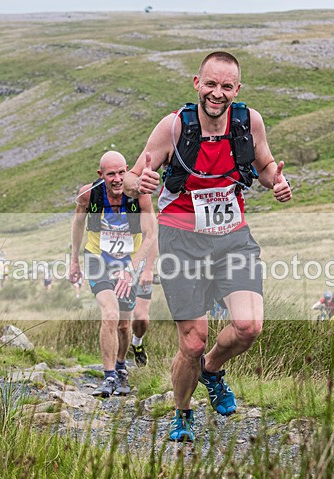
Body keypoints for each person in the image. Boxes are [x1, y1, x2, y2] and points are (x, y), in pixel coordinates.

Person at [124, 51, 292, 442]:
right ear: (197, 83)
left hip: (233, 236)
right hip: (181, 239)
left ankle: (212, 370)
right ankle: (182, 412)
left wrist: (277, 182)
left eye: (226, 86)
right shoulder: (173, 128)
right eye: (211, 84)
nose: (218, 93)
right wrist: (142, 183)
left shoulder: (249, 122)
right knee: (193, 341)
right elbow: (134, 178)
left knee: (249, 327)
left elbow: (265, 167)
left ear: (237, 89)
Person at [70, 151, 157, 398]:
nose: (117, 179)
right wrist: (74, 260)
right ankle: (108, 377)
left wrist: (138, 268)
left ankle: (121, 366)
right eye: (111, 174)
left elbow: (151, 235)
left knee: (124, 323)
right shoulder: (89, 194)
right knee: (109, 313)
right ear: (101, 175)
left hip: (130, 261)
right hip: (98, 258)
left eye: (121, 172)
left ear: (127, 170)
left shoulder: (140, 195)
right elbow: (78, 224)